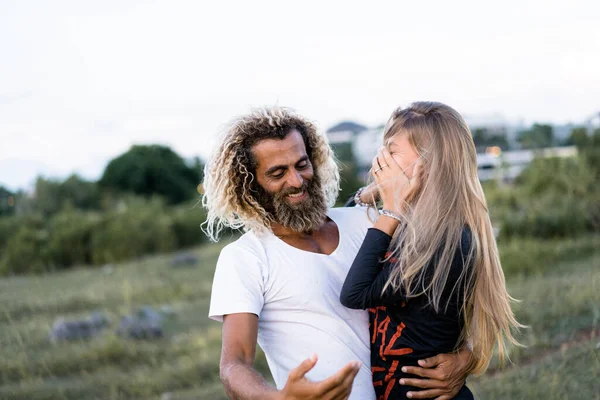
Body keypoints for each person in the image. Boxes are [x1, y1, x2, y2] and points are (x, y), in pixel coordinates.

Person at [204, 107, 473, 400]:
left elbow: (445, 294)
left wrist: (467, 356)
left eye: (301, 164)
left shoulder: (372, 221)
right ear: (250, 185)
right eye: (278, 173)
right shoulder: (244, 258)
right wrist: (279, 398)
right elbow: (234, 365)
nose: (296, 181)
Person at [340, 102, 522, 399]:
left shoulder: (444, 242)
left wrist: (391, 208)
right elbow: (349, 221)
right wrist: (372, 193)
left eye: (391, 150)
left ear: (427, 163)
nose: (380, 159)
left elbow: (355, 293)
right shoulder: (413, 225)